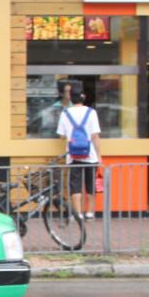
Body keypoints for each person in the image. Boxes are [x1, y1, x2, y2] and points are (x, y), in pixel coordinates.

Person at [55, 89, 102, 219]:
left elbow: (62, 135)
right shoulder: (91, 112)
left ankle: (78, 213)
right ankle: (90, 212)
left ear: (71, 99)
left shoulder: (65, 113)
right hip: (90, 155)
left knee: (75, 185)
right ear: (84, 98)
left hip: (73, 155)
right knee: (91, 184)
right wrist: (99, 156)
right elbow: (95, 136)